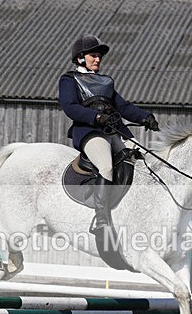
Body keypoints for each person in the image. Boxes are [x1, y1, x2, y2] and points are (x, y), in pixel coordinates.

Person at [58, 34, 160, 237]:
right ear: (80, 58)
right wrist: (95, 117)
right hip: (90, 132)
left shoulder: (105, 82)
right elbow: (69, 107)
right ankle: (101, 217)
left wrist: (145, 117)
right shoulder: (69, 80)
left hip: (114, 130)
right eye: (93, 56)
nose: (97, 60)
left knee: (143, 158)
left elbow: (122, 106)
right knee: (106, 165)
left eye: (99, 57)